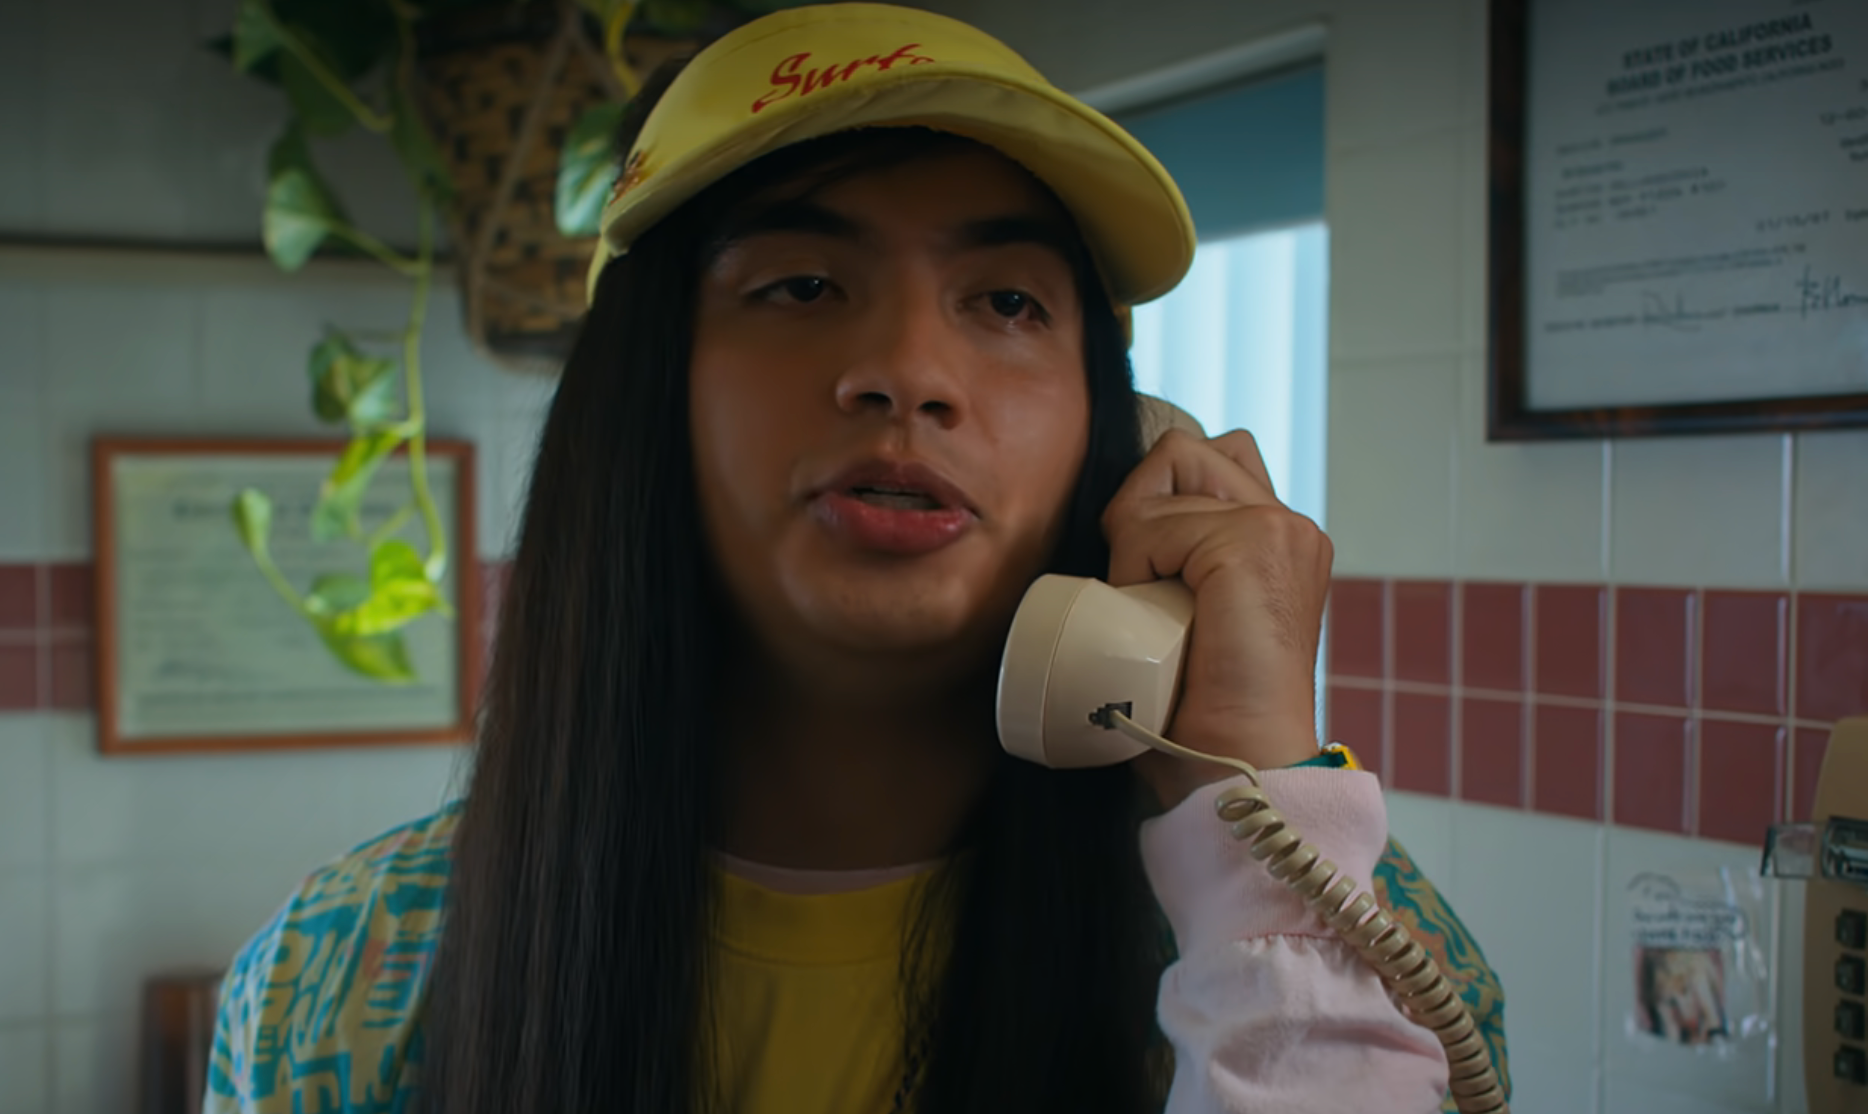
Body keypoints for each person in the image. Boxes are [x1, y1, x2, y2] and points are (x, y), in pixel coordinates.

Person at [205, 5, 1508, 1112]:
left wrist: (1253, 822)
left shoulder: (1353, 956)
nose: (908, 372)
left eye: (1008, 302)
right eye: (802, 285)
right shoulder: (341, 978)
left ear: (1115, 433)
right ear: (644, 394)